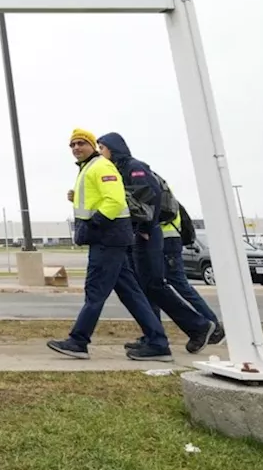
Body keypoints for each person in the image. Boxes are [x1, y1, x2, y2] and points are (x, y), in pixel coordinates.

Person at [48, 129, 172, 361]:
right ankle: (157, 342)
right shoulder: (88, 168)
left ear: (93, 145)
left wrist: (96, 223)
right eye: (72, 145)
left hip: (107, 238)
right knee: (131, 293)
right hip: (108, 239)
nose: (76, 148)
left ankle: (78, 340)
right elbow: (98, 198)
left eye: (81, 143)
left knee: (95, 291)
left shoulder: (101, 166)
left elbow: (115, 200)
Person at [97, 133, 221, 355]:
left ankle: (201, 326)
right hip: (139, 235)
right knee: (148, 288)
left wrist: (144, 229)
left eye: (102, 148)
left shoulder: (134, 167)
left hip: (150, 235)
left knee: (157, 285)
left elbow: (150, 197)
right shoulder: (119, 170)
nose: (100, 153)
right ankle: (155, 336)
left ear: (113, 149)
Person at [154, 195, 221, 326]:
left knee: (175, 285)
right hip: (171, 240)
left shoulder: (156, 195)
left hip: (163, 241)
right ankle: (211, 322)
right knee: (162, 285)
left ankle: (211, 323)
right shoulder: (168, 196)